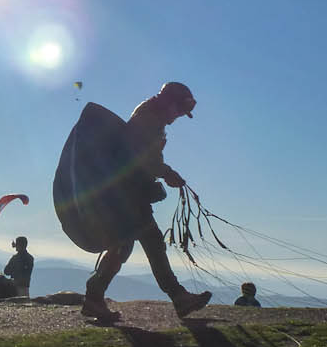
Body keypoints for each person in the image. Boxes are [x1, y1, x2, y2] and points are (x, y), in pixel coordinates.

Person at [54, 81, 212, 323]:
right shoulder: (147, 119)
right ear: (170, 102)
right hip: (127, 195)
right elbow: (140, 156)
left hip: (127, 194)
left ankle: (94, 297)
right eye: (179, 110)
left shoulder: (153, 119)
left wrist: (161, 174)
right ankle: (178, 296)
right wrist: (166, 173)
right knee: (152, 242)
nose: (179, 116)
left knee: (124, 245)